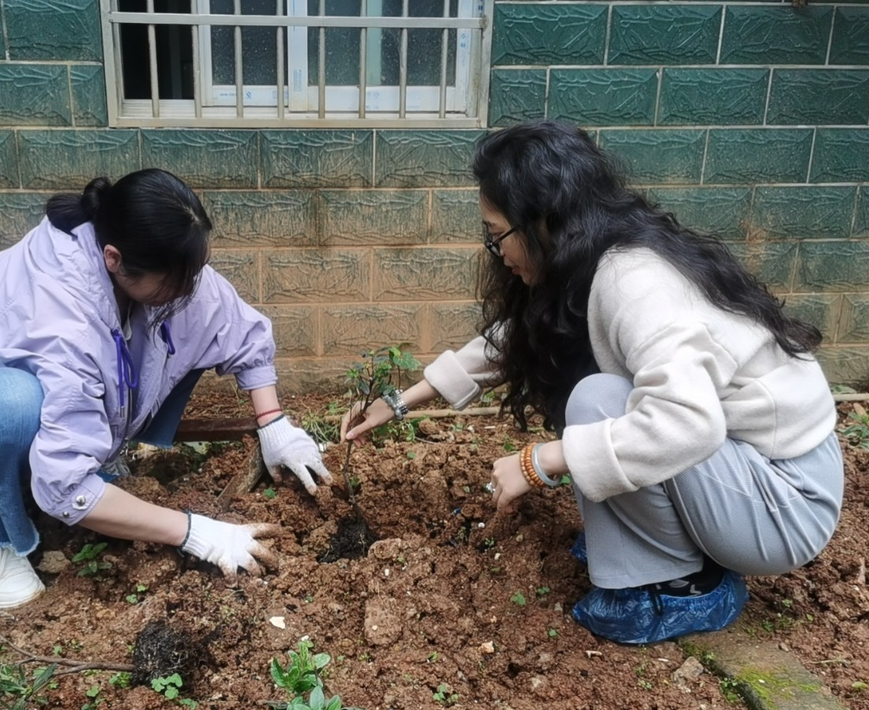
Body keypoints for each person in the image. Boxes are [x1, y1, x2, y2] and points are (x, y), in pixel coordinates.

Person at [341, 120, 843, 645]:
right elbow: (516, 338)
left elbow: (687, 423)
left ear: (540, 221)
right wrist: (398, 402)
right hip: (743, 474)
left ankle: (687, 584)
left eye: (498, 236)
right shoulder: (594, 257)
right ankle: (649, 552)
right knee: (594, 394)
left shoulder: (635, 281)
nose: (499, 254)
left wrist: (539, 462)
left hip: (785, 502)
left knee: (599, 401)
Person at [0, 169, 331, 609]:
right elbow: (63, 489)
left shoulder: (149, 260)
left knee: (175, 325)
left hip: (22, 394)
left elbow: (239, 329)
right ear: (114, 259)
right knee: (12, 403)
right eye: (174, 281)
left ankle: (92, 456)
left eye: (193, 274)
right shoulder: (64, 318)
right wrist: (195, 532)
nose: (187, 291)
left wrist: (274, 425)